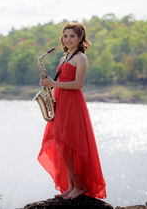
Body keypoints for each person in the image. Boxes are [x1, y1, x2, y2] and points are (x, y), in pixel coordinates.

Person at [38, 23, 106, 199]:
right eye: (65, 36)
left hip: (73, 105)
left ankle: (80, 186)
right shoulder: (64, 58)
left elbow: (78, 84)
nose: (68, 40)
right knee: (61, 146)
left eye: (72, 36)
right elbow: (62, 82)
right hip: (60, 103)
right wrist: (50, 91)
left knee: (70, 145)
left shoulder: (80, 58)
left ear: (80, 38)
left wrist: (53, 84)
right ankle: (71, 186)